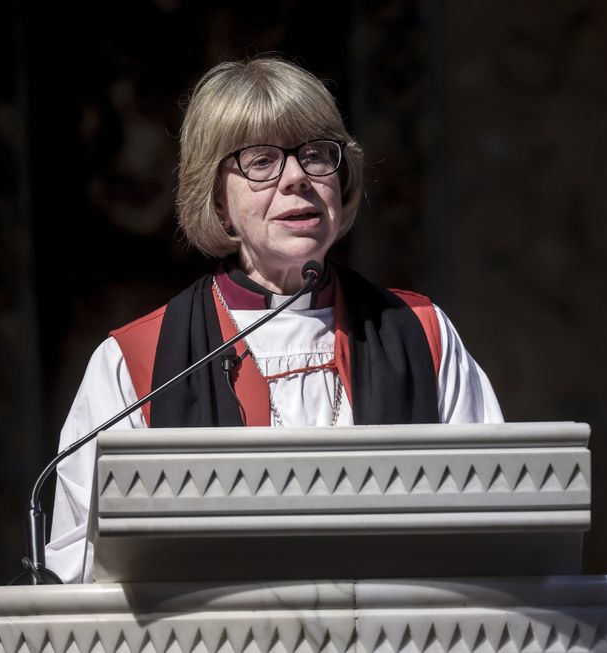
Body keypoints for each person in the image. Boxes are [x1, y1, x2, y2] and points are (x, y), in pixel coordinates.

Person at [46, 56, 503, 583]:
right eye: (261, 161)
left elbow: (495, 521)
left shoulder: (419, 333)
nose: (297, 178)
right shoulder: (137, 362)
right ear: (218, 201)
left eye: (316, 155)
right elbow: (82, 572)